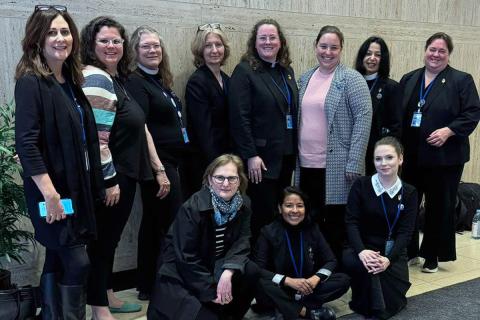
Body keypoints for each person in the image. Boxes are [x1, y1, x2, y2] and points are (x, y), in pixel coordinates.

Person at [14, 5, 103, 318]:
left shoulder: (71, 81)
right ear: (37, 38)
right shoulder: (31, 82)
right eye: (51, 32)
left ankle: (51, 315)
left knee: (57, 257)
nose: (60, 38)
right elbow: (25, 142)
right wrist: (51, 195)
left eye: (65, 31)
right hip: (52, 192)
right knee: (78, 262)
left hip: (78, 188)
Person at [80, 17, 170, 319]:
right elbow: (97, 139)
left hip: (126, 173)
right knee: (102, 244)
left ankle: (107, 296)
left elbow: (139, 126)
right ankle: (100, 310)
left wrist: (158, 168)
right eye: (104, 40)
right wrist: (109, 180)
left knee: (110, 240)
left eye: (116, 40)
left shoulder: (117, 78)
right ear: (91, 45)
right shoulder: (96, 78)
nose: (111, 46)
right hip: (112, 177)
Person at [400, 32, 480, 272]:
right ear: (425, 50)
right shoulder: (409, 78)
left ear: (448, 54)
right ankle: (410, 251)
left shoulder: (461, 80)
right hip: (412, 156)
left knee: (439, 207)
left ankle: (432, 256)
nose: (435, 55)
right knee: (409, 204)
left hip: (445, 159)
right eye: (432, 49)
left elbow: (472, 113)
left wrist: (448, 131)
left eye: (441, 51)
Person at [147, 154, 256, 320]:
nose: (226, 184)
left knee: (252, 271)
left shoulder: (244, 204)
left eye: (232, 178)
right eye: (220, 178)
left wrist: (229, 270)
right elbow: (186, 258)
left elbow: (243, 241)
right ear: (210, 179)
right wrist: (211, 291)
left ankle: (231, 315)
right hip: (181, 274)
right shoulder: (192, 208)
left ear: (239, 180)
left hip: (214, 267)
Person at [296, 25, 372, 260]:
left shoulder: (352, 79)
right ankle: (313, 267)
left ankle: (334, 272)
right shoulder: (305, 77)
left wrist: (355, 162)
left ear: (341, 50)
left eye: (334, 47)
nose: (328, 52)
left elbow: (363, 118)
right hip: (306, 164)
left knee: (335, 222)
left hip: (338, 167)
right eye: (323, 46)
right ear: (315, 47)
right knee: (309, 219)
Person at [125, 25, 186, 301]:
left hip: (171, 161)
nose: (153, 50)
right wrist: (159, 169)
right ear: (135, 52)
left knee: (154, 221)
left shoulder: (159, 80)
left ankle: (149, 284)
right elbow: (141, 128)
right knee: (164, 224)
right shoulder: (136, 82)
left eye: (156, 46)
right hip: (157, 165)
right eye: (146, 46)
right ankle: (155, 284)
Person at [229, 18, 298, 242]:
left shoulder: (286, 71)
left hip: (286, 156)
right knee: (262, 215)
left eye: (272, 37)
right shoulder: (245, 71)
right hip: (260, 160)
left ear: (281, 42)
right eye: (263, 38)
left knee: (281, 213)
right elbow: (239, 118)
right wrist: (250, 155)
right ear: (254, 42)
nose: (268, 42)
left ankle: (277, 260)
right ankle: (259, 266)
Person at [343, 137, 417, 319]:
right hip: (360, 248)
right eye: (378, 159)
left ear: (400, 159)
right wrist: (362, 251)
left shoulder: (409, 192)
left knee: (392, 299)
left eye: (389, 157)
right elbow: (351, 222)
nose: (383, 163)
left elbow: (405, 233)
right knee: (372, 277)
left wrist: (387, 260)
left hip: (392, 252)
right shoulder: (360, 185)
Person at [254, 186, 350, 320]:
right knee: (259, 281)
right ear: (280, 208)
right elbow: (259, 269)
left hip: (307, 287)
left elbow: (331, 260)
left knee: (343, 280)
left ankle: (286, 308)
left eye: (300, 206)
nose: (294, 210)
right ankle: (306, 312)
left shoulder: (312, 228)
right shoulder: (268, 232)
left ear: (305, 208)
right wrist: (288, 281)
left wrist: (315, 279)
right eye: (289, 205)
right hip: (280, 287)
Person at [185, 23, 231, 188]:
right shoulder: (197, 82)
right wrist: (217, 167)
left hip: (225, 158)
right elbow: (203, 130)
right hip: (206, 161)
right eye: (208, 46)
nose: (214, 50)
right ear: (200, 50)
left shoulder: (227, 79)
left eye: (218, 45)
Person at [354, 36, 403, 175]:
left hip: (378, 155)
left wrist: (385, 155)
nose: (372, 58)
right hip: (353, 153)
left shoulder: (391, 87)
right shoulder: (351, 83)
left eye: (378, 55)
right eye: (368, 53)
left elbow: (396, 128)